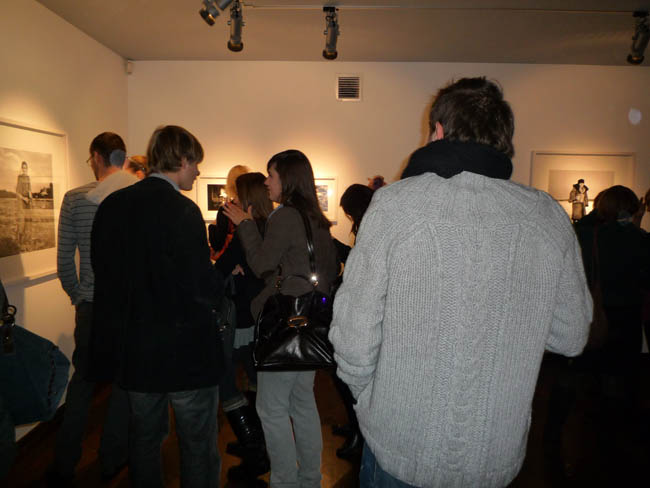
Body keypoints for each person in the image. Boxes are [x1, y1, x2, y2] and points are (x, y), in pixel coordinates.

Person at [329, 77, 592, 488]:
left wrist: (368, 399)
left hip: (401, 444)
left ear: (437, 131)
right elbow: (571, 335)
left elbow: (353, 336)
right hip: (494, 452)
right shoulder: (546, 216)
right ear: (503, 141)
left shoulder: (395, 206)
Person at [90, 125, 223, 488]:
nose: (197, 171)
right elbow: (199, 286)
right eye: (195, 162)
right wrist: (220, 280)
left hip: (136, 350)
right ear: (181, 160)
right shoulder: (183, 211)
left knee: (145, 442)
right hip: (185, 352)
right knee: (197, 445)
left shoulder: (113, 206)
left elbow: (105, 276)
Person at [224, 149, 338, 488]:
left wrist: (246, 225)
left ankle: (285, 481)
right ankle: (310, 478)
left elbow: (262, 264)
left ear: (286, 179)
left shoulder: (285, 216)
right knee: (302, 403)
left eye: (271, 175)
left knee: (271, 408)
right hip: (309, 323)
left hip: (284, 324)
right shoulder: (316, 218)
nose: (265, 181)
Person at [49, 132, 134, 486]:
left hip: (91, 304)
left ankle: (64, 464)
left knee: (82, 384)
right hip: (127, 306)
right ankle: (112, 458)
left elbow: (64, 260)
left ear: (97, 157)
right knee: (123, 383)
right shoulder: (135, 196)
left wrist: (79, 295)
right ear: (121, 158)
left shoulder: (75, 198)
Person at [214, 172, 272, 485]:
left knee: (226, 381)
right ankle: (258, 443)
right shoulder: (270, 225)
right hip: (260, 317)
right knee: (253, 377)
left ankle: (254, 449)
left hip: (242, 318)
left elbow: (222, 268)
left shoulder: (248, 231)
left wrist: (230, 270)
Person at [331, 183, 375, 461]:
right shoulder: (371, 226)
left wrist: (336, 248)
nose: (349, 219)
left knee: (350, 378)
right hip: (363, 310)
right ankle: (355, 428)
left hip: (364, 313)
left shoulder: (370, 229)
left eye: (349, 213)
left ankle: (359, 434)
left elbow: (362, 264)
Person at [15, 161, 32, 249]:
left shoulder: (28, 177)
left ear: (27, 168)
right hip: (21, 201)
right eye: (23, 167)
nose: (24, 169)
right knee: (21, 221)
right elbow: (17, 192)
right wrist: (24, 198)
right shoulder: (20, 177)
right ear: (21, 168)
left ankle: (25, 240)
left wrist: (30, 197)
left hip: (27, 201)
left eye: (26, 168)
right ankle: (19, 241)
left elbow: (29, 190)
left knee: (27, 220)